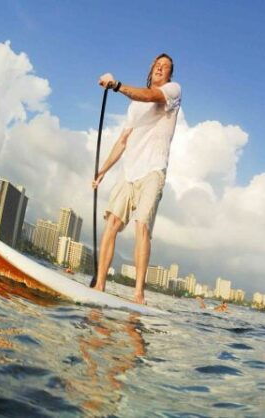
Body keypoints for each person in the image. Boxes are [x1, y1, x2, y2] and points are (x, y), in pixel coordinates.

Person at [91, 53, 182, 305]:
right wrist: (102, 171)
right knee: (112, 224)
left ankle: (138, 295)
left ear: (169, 75)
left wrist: (117, 86)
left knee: (141, 225)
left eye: (166, 67)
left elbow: (151, 96)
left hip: (153, 170)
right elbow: (123, 142)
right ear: (151, 69)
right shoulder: (134, 107)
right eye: (157, 65)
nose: (161, 69)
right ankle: (99, 286)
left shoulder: (172, 91)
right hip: (129, 172)